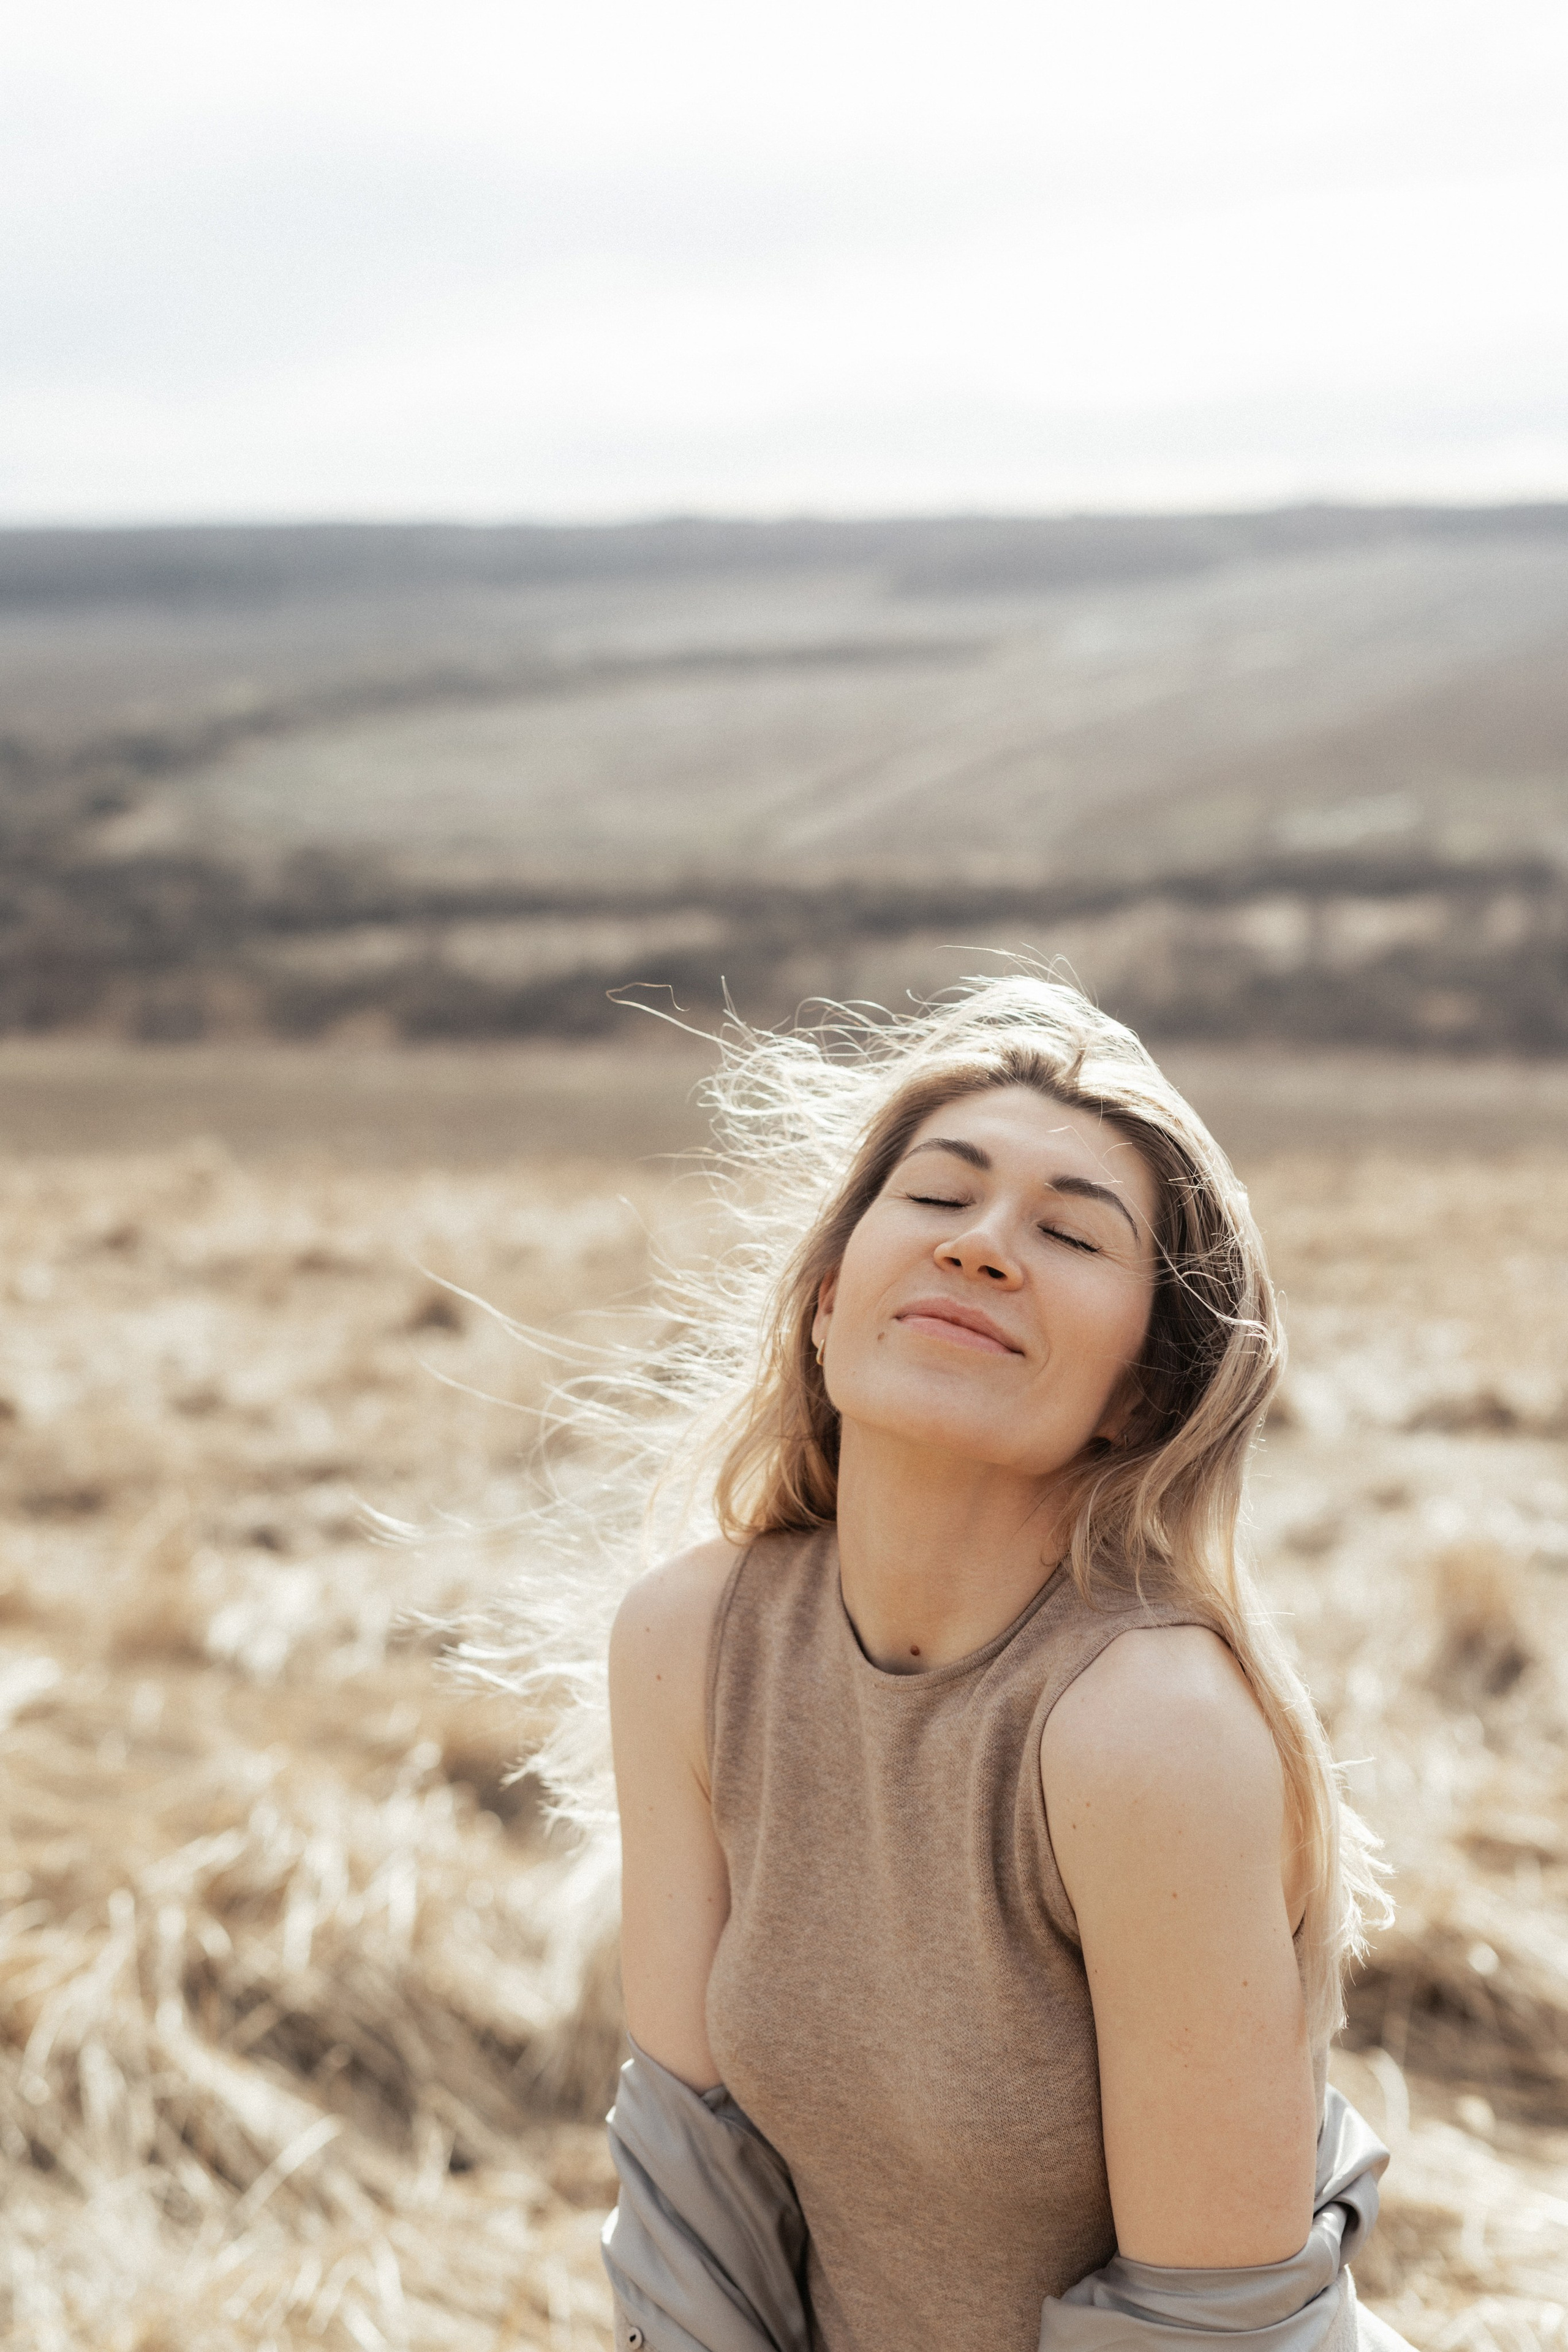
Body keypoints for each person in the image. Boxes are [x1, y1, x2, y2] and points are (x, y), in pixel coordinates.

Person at [514, 974, 1404, 2352]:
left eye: (1069, 1233)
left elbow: (1205, 2329)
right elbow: (693, 2229)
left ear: (1139, 1396)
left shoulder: (1146, 1729)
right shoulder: (690, 1640)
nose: (982, 1247)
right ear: (826, 1301)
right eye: (938, 1196)